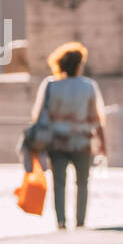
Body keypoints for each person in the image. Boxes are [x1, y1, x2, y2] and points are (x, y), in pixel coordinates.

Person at [32, 42, 106, 230]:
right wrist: (102, 142)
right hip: (81, 141)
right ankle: (80, 221)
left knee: (59, 183)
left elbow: (40, 116)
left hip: (56, 141)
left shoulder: (51, 85)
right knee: (82, 182)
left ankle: (61, 220)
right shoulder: (88, 86)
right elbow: (96, 118)